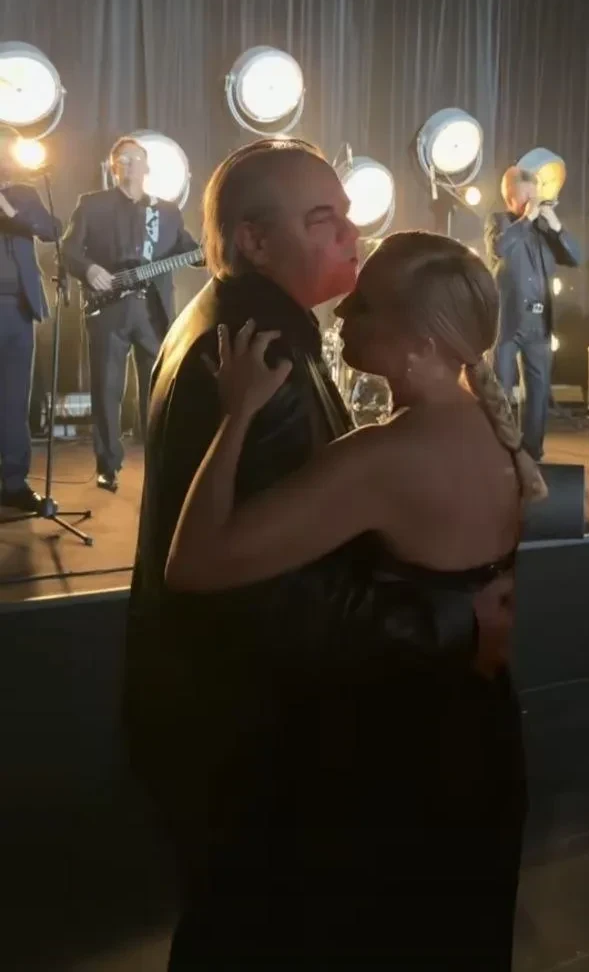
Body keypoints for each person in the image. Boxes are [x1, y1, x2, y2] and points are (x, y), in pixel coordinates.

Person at [123, 139, 526, 969]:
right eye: (324, 219)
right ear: (252, 241)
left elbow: (232, 564)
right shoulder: (265, 351)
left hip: (394, 737)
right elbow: (268, 594)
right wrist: (453, 621)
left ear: (418, 339)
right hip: (292, 723)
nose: (351, 236)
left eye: (366, 304)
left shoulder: (252, 343)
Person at [61, 136, 200, 492]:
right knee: (106, 389)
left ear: (147, 166)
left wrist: (215, 249)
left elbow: (191, 251)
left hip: (153, 311)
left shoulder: (166, 211)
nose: (129, 164)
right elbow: (68, 250)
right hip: (108, 309)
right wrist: (89, 269)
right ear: (112, 167)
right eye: (122, 159)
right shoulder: (92, 205)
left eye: (135, 158)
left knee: (156, 389)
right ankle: (108, 465)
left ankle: (158, 461)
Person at [485, 164, 580, 460]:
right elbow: (499, 248)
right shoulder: (499, 221)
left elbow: (575, 257)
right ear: (511, 197)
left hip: (539, 319)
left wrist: (556, 226)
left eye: (535, 197)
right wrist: (526, 219)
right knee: (500, 388)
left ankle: (533, 450)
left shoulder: (544, 229)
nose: (533, 203)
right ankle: (499, 449)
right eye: (527, 197)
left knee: (538, 390)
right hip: (507, 319)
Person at [0, 127, 61, 512]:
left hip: (19, 309)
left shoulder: (24, 194)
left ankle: (14, 482)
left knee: (14, 399)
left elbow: (52, 230)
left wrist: (8, 209)